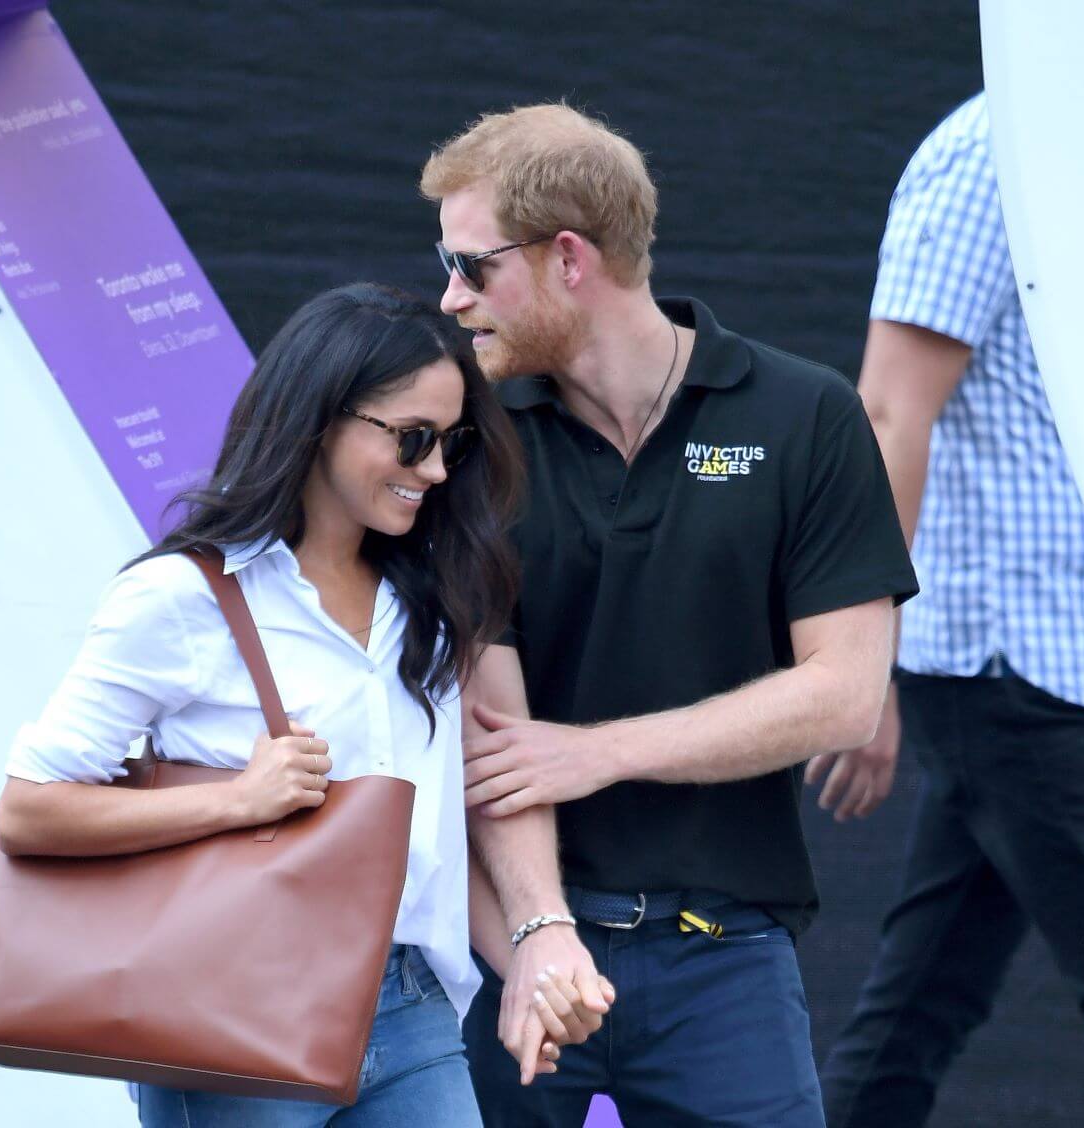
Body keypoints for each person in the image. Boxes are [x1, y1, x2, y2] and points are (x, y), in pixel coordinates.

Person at [0, 283, 602, 1127]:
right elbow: (29, 810)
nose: (433, 469)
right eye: (413, 438)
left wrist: (531, 957)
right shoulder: (182, 598)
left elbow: (426, 843)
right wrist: (236, 801)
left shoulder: (423, 602)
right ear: (322, 422)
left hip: (414, 1004)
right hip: (236, 1009)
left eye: (451, 444)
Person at [418, 103, 919, 1127]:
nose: (452, 297)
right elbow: (489, 726)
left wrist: (599, 750)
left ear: (569, 258)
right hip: (507, 940)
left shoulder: (800, 414)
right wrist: (534, 931)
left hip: (725, 952)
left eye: (474, 267)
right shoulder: (462, 433)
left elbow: (845, 696)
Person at [815, 92, 1084, 1127]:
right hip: (1007, 665)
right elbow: (890, 411)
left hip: (1061, 657)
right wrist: (864, 657)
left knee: (920, 1003)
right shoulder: (991, 154)